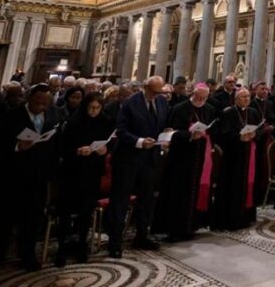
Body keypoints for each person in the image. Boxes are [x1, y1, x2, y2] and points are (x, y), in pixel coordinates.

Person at [0, 84, 60, 279]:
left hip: (38, 177)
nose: (40, 107)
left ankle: (27, 255)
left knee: (32, 220)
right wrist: (17, 146)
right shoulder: (11, 116)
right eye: (37, 102)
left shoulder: (51, 117)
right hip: (12, 177)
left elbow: (54, 145)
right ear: (29, 99)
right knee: (3, 222)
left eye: (45, 104)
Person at [107, 76, 170, 258]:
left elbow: (163, 125)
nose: (157, 95)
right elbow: (121, 130)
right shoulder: (130, 104)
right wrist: (140, 141)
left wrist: (166, 135)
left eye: (159, 92)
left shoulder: (162, 103)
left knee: (146, 200)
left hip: (150, 160)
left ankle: (142, 236)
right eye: (154, 92)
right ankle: (115, 242)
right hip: (128, 160)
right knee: (121, 201)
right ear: (145, 87)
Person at [54, 92, 114, 267]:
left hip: (92, 172)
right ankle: (62, 248)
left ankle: (82, 243)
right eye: (91, 107)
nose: (94, 111)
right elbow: (62, 147)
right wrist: (77, 151)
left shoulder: (105, 121)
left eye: (97, 108)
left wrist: (105, 150)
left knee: (86, 211)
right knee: (66, 212)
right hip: (72, 172)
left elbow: (109, 142)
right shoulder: (74, 122)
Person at [153, 83, 217, 241]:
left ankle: (193, 225)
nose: (201, 100)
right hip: (181, 159)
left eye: (204, 97)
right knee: (179, 193)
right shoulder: (179, 108)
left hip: (200, 156)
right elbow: (170, 134)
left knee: (196, 191)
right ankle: (176, 228)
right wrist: (188, 135)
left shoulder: (208, 109)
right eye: (198, 97)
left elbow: (212, 130)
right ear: (192, 94)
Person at [212, 88, 262, 230]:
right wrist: (238, 137)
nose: (246, 99)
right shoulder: (228, 113)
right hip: (233, 157)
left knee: (248, 183)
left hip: (249, 154)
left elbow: (260, 129)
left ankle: (246, 216)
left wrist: (254, 135)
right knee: (233, 186)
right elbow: (222, 135)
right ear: (236, 99)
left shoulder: (252, 112)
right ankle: (231, 218)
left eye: (248, 96)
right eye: (243, 97)